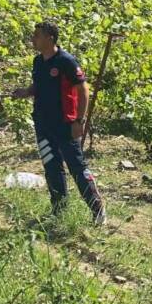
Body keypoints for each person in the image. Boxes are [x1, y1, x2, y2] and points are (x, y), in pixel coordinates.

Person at [12, 21, 106, 225]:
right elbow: (39, 85)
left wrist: (79, 121)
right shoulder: (38, 62)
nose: (33, 39)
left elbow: (83, 90)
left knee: (77, 167)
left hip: (65, 124)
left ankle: (98, 210)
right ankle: (59, 211)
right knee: (52, 167)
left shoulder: (66, 61)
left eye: (37, 35)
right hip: (43, 124)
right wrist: (26, 92)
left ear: (50, 38)